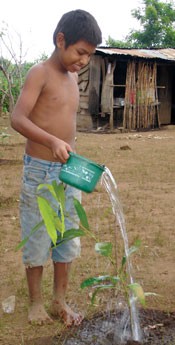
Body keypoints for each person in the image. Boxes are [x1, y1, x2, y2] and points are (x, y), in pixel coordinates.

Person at [11, 9, 102, 327]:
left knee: (67, 238)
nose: (83, 61)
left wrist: (79, 164)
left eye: (88, 56)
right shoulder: (40, 73)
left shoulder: (73, 79)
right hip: (39, 171)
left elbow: (68, 129)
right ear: (60, 40)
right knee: (38, 237)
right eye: (80, 52)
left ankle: (59, 299)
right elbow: (17, 119)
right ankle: (35, 303)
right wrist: (51, 141)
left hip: (67, 172)